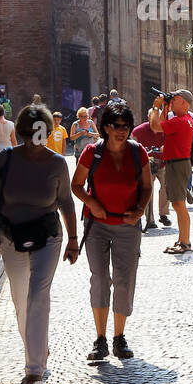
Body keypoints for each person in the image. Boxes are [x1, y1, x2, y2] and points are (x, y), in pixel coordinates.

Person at [0, 104, 79, 384]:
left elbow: (66, 202)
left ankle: (34, 369)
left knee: (38, 295)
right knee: (20, 299)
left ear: (48, 133)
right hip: (12, 236)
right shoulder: (6, 160)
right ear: (25, 133)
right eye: (32, 132)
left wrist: (73, 240)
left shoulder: (57, 163)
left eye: (42, 131)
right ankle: (37, 349)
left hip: (47, 236)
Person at [72, 102, 152, 361]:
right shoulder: (92, 153)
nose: (121, 131)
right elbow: (77, 185)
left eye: (126, 126)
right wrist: (92, 203)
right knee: (99, 279)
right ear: (105, 127)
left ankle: (119, 337)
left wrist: (140, 208)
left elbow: (147, 186)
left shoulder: (137, 153)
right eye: (116, 126)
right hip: (96, 227)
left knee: (124, 280)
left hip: (128, 226)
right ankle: (100, 339)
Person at [150, 90, 193, 255]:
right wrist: (165, 109)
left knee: (178, 204)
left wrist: (155, 107)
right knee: (177, 203)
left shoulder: (181, 121)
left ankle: (185, 242)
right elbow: (163, 127)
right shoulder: (185, 119)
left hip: (177, 164)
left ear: (184, 103)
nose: (173, 102)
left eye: (175, 100)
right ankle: (182, 239)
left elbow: (155, 126)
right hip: (178, 163)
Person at [133, 115, 170, 229]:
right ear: (149, 118)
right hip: (147, 164)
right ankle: (150, 218)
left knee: (166, 186)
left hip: (162, 163)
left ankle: (163, 213)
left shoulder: (164, 130)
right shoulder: (139, 131)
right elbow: (132, 146)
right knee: (148, 190)